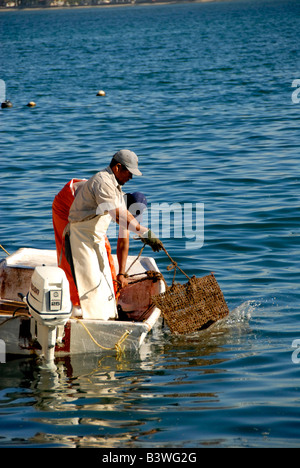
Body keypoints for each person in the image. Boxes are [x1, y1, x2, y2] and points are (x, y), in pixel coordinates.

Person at [68, 149, 163, 320]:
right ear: (118, 167)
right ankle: (91, 320)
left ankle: (107, 315)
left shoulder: (116, 188)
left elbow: (124, 225)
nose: (131, 177)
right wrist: (144, 232)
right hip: (80, 235)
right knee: (89, 282)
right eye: (130, 172)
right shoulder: (103, 182)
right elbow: (118, 215)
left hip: (94, 236)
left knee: (105, 279)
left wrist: (122, 273)